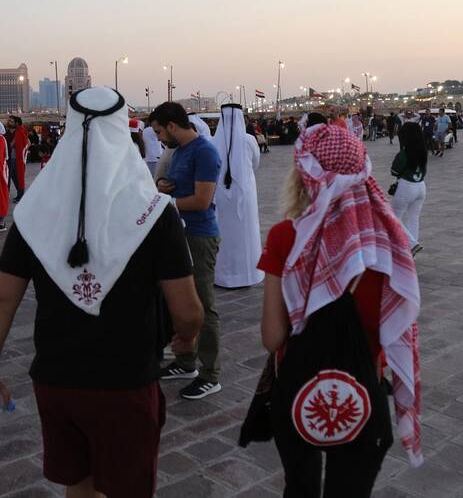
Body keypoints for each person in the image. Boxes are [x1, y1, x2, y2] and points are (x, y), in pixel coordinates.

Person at [0, 87, 203, 498]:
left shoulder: (34, 211)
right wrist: (186, 338)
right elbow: (186, 311)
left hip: (56, 379)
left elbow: (3, 301)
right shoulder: (154, 214)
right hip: (127, 381)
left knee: (78, 484)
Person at [257, 121, 422, 497]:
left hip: (296, 391)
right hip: (362, 392)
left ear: (305, 175)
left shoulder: (284, 237)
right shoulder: (389, 243)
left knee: (299, 487)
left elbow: (272, 338)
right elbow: (395, 330)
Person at [151, 101, 223, 400]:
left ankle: (210, 374)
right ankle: (185, 362)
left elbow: (202, 200)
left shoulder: (204, 151)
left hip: (199, 236)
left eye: (159, 131)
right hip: (179, 235)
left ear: (172, 125)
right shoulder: (179, 150)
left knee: (203, 305)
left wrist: (165, 203)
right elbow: (177, 186)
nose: (158, 138)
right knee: (178, 300)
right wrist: (163, 185)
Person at [212, 103, 264, 288]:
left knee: (224, 234)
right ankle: (247, 274)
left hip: (220, 194)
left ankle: (223, 275)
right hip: (244, 193)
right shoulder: (249, 140)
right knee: (245, 233)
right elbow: (256, 163)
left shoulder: (213, 141)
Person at [390, 123, 428, 254]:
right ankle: (411, 251)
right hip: (421, 186)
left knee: (393, 217)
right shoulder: (423, 152)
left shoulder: (404, 153)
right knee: (413, 217)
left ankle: (412, 244)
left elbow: (394, 171)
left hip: (406, 186)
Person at [6, 116, 30, 202]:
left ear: (15, 123)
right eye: (9, 121)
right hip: (8, 157)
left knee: (13, 175)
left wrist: (22, 152)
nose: (9, 122)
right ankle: (20, 193)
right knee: (13, 175)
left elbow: (28, 143)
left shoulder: (18, 132)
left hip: (15, 157)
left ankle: (19, 194)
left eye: (11, 121)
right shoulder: (6, 132)